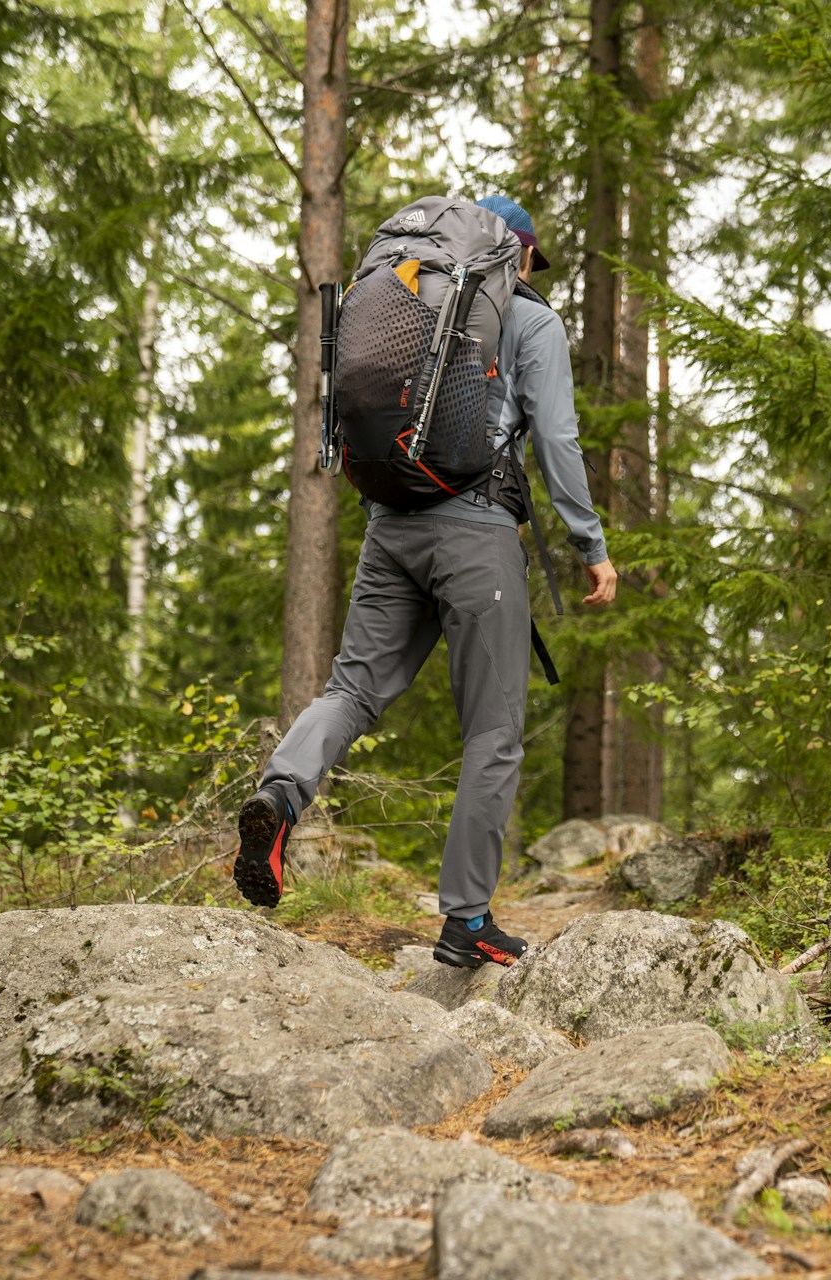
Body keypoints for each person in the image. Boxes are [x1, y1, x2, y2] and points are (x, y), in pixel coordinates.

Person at [233, 194, 617, 969]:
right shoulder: (531, 318)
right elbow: (558, 438)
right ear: (521, 253)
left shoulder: (403, 288)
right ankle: (466, 920)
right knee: (493, 732)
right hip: (476, 535)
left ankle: (280, 793)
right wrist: (591, 546)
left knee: (352, 690)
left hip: (389, 521)